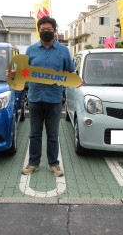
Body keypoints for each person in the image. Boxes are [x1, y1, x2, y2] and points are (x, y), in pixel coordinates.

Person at [20, 16, 81, 177]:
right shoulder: (31, 50)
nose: (46, 32)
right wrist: (14, 74)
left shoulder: (64, 51)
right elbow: (23, 71)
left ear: (55, 31)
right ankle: (34, 163)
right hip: (35, 98)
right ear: (39, 31)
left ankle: (54, 164)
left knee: (53, 134)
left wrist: (76, 79)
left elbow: (70, 71)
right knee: (34, 133)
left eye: (49, 30)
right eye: (43, 30)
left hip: (54, 99)